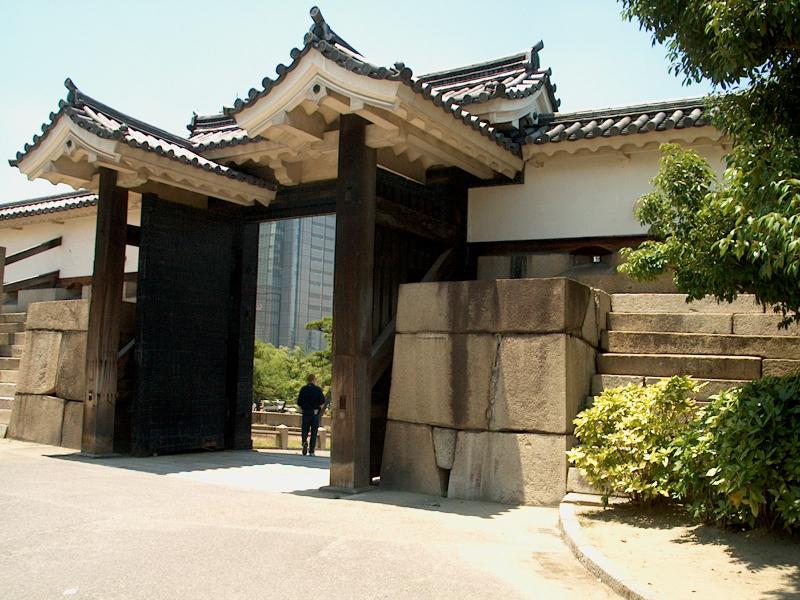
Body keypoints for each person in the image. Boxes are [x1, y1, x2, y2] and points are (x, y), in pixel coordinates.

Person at [297, 373, 326, 456]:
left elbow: (299, 402)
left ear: (307, 380)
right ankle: (312, 451)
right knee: (314, 431)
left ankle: (304, 442)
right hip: (315, 412)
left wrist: (303, 408)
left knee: (304, 429)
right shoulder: (318, 390)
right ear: (314, 380)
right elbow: (322, 402)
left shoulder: (303, 389)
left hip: (306, 412)